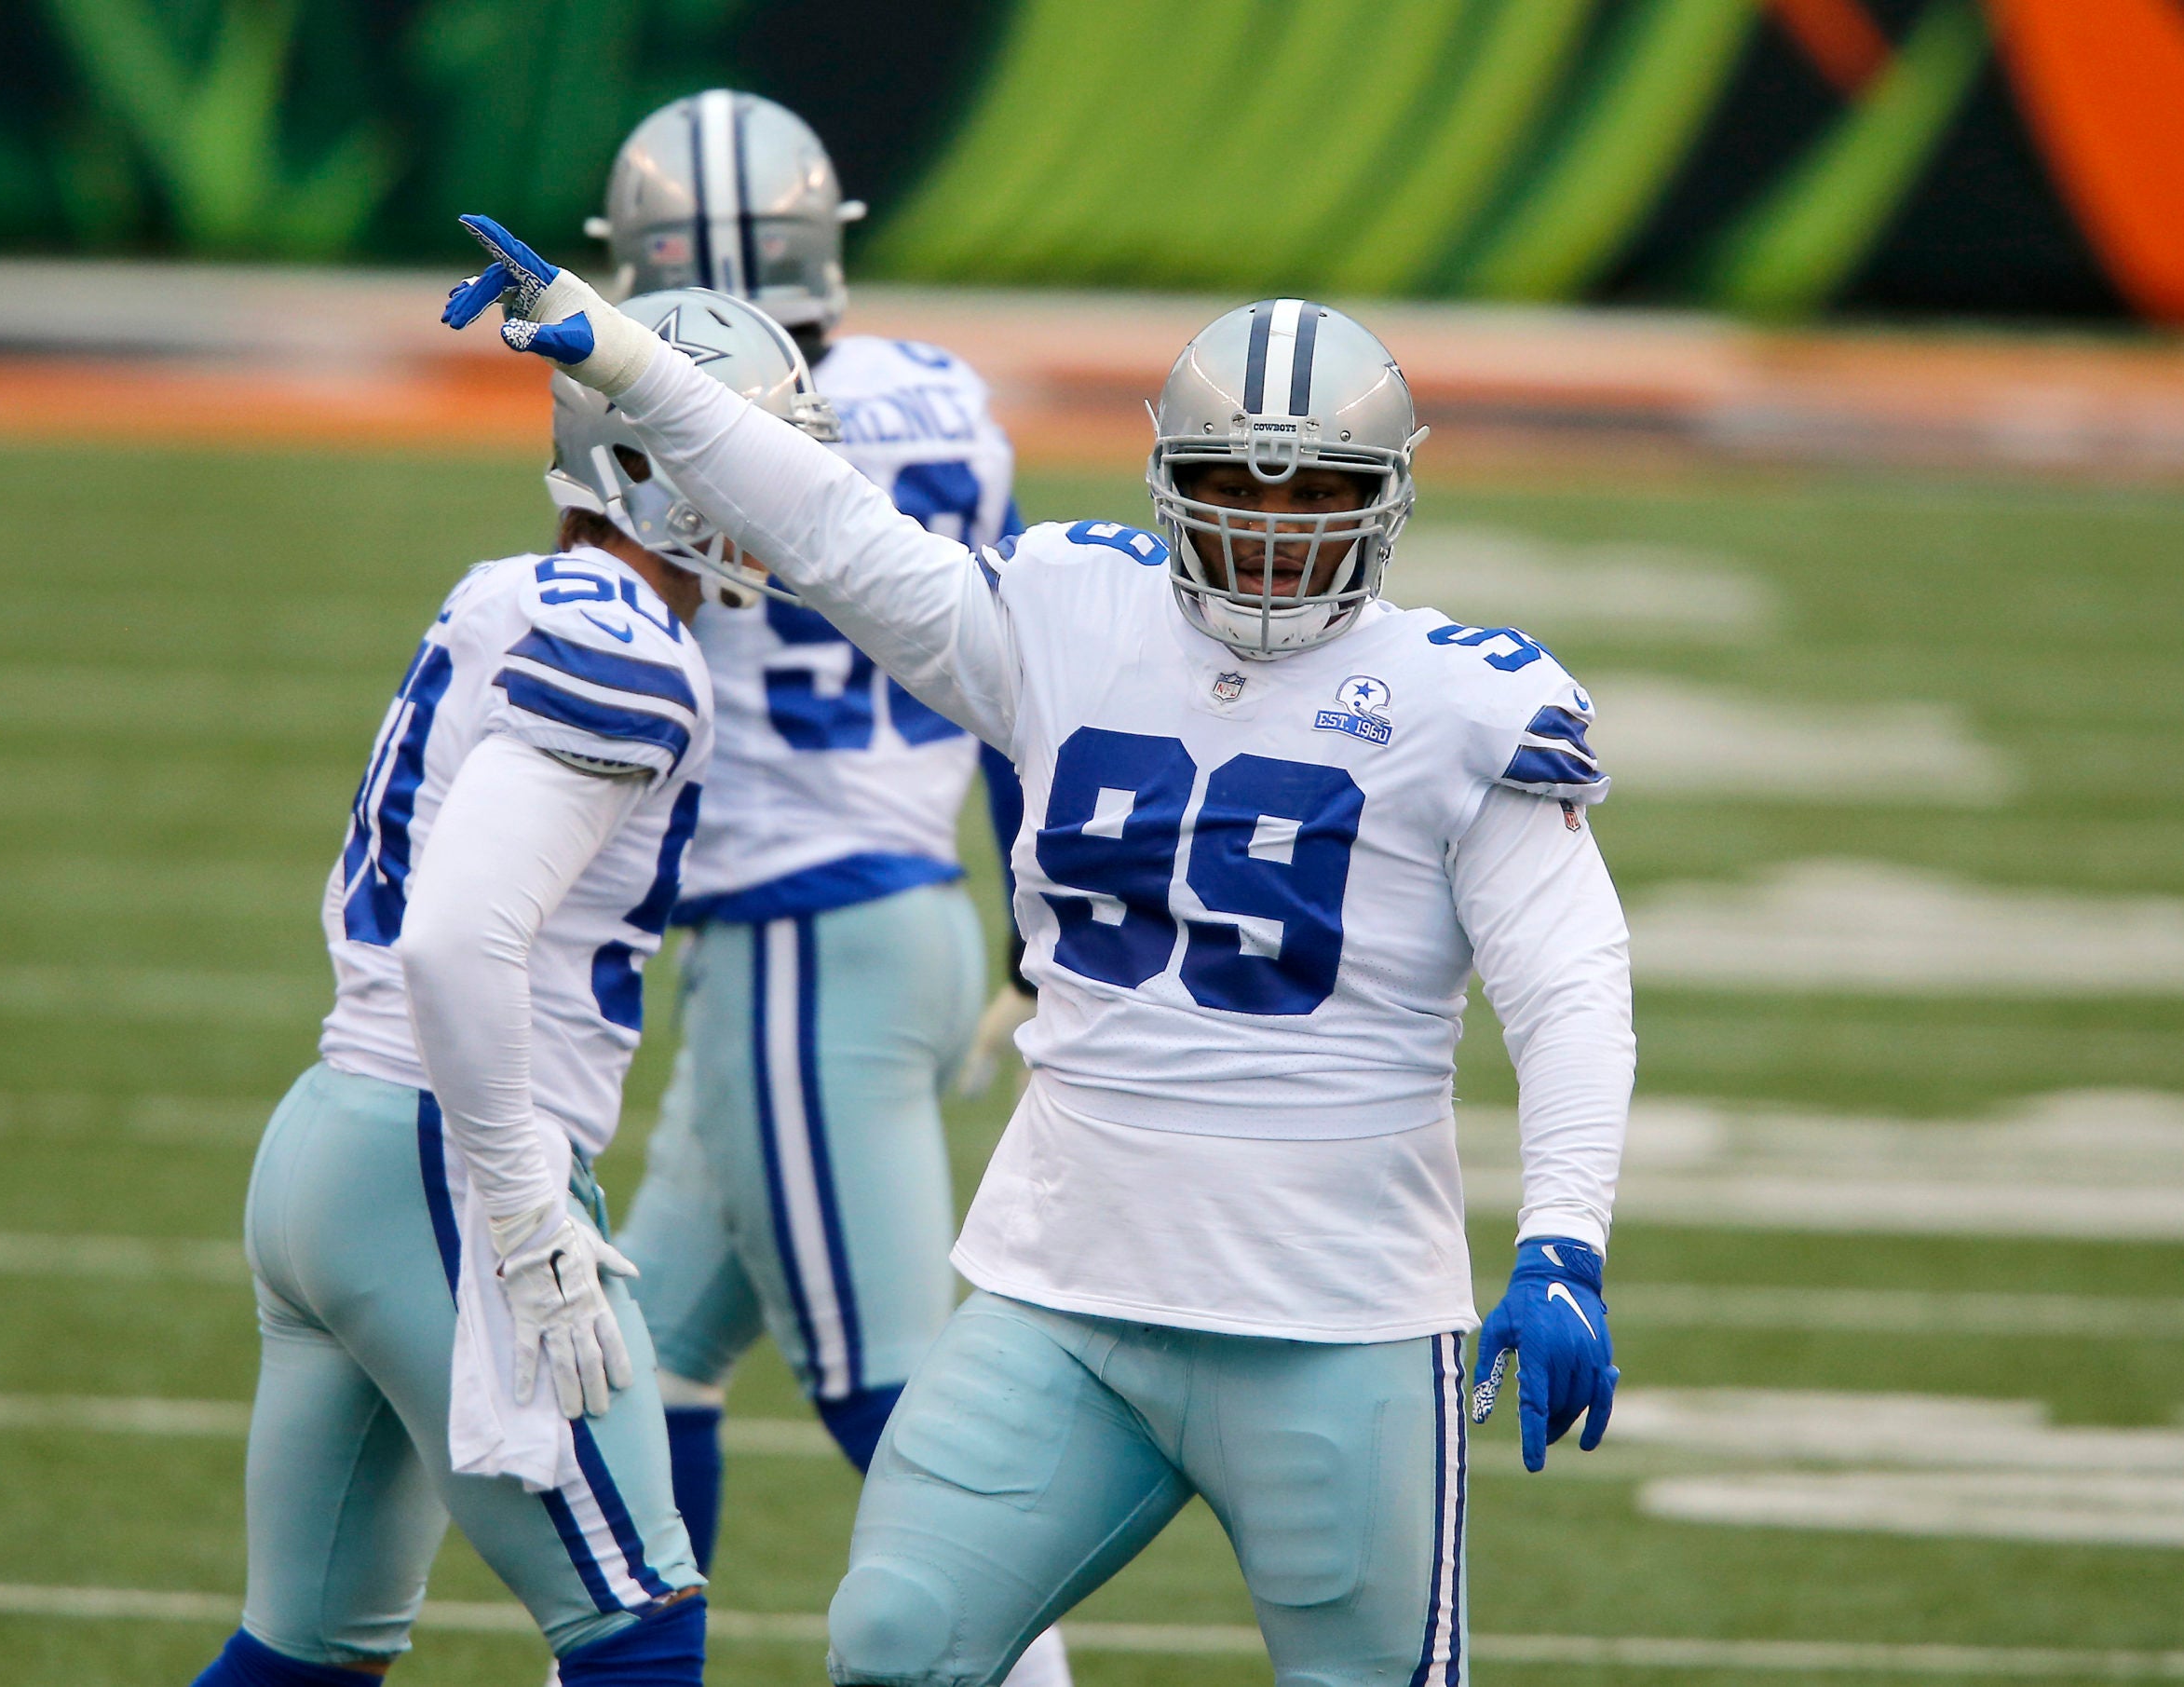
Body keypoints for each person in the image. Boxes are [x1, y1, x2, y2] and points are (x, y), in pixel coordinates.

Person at [446, 222, 1634, 1687]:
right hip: (1063, 1295)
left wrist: (1564, 1241)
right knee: (897, 1640)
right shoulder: (1073, 614)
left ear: (1385, 498)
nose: (1273, 527)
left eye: (1319, 491)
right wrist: (627, 356)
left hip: (1339, 1321)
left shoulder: (1462, 702)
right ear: (1168, 480)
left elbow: (1570, 985)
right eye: (1233, 486)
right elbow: (831, 531)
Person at [185, 286, 830, 1687]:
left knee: (304, 1657)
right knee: (639, 1629)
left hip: (334, 1140)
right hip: (445, 1163)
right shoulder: (625, 646)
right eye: (745, 449)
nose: (780, 489)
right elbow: (455, 937)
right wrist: (527, 1210)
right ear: (648, 465)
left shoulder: (516, 590)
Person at [576, 91, 1066, 1687]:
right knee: (639, 1362)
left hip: (798, 940)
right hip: (909, 915)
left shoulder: (669, 413)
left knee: (906, 1416)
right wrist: (1031, 934)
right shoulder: (947, 399)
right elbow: (1009, 667)